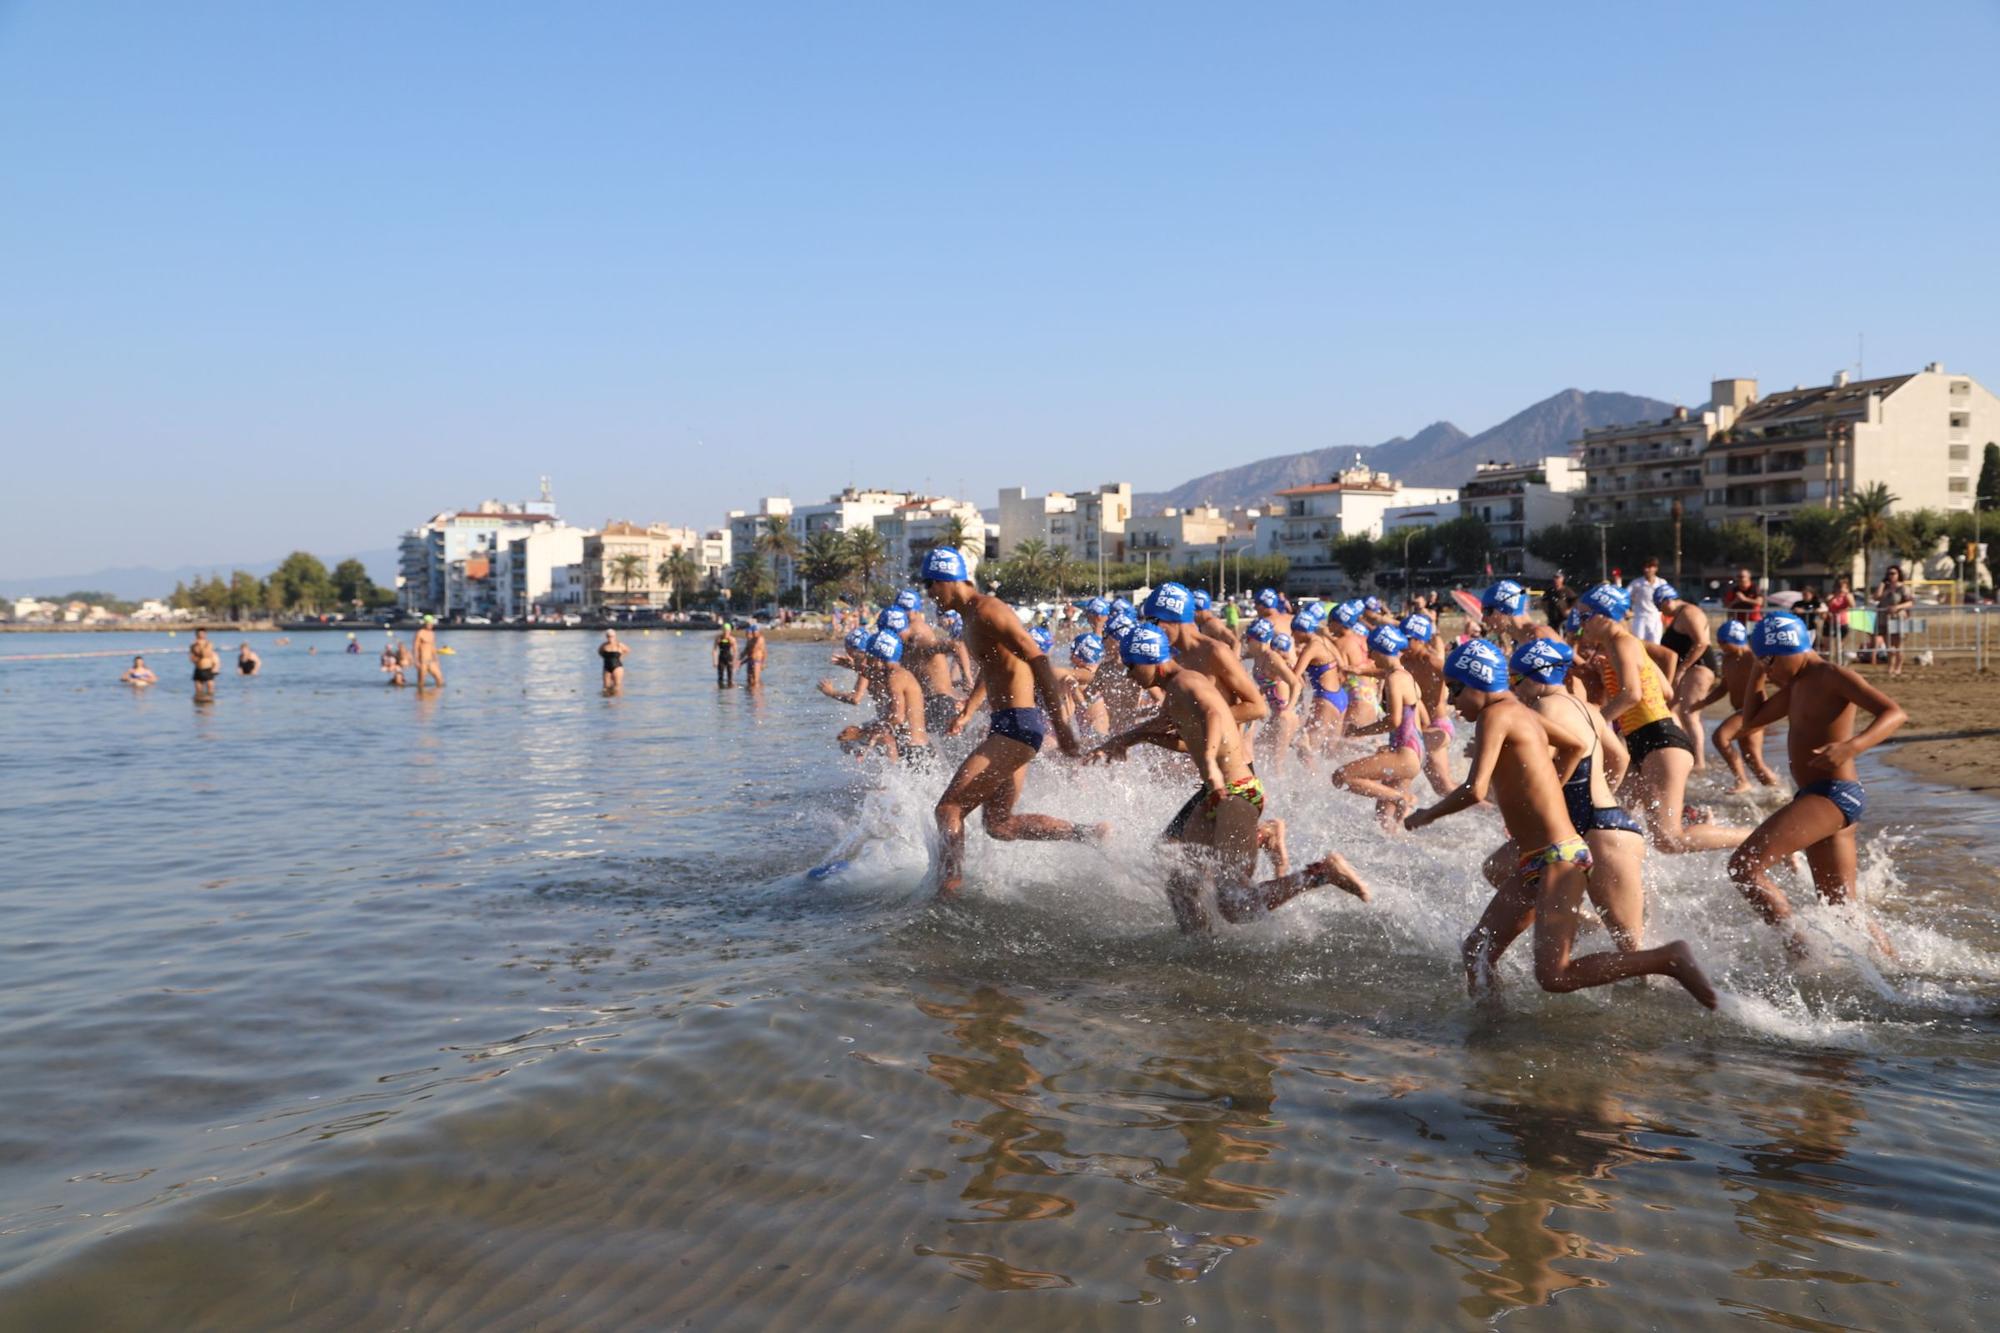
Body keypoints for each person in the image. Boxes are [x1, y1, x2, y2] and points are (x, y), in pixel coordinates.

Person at [1404, 639, 1716, 1008]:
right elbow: (1574, 746)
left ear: (1477, 683)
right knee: (1477, 950)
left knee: (1555, 976)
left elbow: (1475, 790)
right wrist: (1550, 787)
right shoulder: (1525, 711)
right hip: (1542, 855)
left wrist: (1426, 815)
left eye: (1455, 690)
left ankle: (1669, 959)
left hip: (1559, 855)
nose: (1452, 703)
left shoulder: (1498, 715)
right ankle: (1491, 1033)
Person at [1091, 624, 1369, 932]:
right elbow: (1189, 741)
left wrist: (1209, 761)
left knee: (1235, 904)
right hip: (1216, 795)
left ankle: (1323, 872)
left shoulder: (1185, 682)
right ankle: (1199, 949)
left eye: (1131, 665)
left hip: (1237, 792)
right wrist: (1135, 740)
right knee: (1179, 880)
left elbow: (1214, 713)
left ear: (1151, 659)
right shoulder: (1175, 691)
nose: (1129, 674)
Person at [923, 547, 1101, 899]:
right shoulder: (972, 617)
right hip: (1009, 725)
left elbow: (1038, 659)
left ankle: (948, 892)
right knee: (999, 824)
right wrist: (968, 711)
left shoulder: (989, 610)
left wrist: (1063, 729)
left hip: (1018, 725)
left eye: (930, 585)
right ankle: (1087, 834)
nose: (929, 594)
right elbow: (992, 669)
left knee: (949, 808)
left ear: (946, 580)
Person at [1727, 614, 1906, 956]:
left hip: (1833, 794)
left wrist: (1851, 747)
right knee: (1841, 907)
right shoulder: (1797, 685)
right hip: (1822, 798)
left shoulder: (1830, 676)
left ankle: (1800, 951)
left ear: (1788, 650)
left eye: (1771, 663)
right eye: (1765, 664)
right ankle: (1895, 970)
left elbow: (1894, 713)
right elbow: (1751, 721)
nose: (1771, 673)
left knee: (1744, 866)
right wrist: (1757, 666)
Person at [1503, 638, 1649, 957]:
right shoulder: (1587, 708)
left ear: (1536, 676)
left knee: (1634, 953)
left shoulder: (1543, 709)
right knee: (1497, 868)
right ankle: (1574, 918)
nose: (1513, 690)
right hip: (1604, 824)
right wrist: (1603, 793)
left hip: (1601, 834)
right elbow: (1619, 759)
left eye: (1514, 680)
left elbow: (1539, 775)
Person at [1575, 584, 1747, 855]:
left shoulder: (1621, 642)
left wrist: (1593, 723)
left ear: (1604, 616)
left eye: (1584, 617)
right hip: (1646, 740)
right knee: (1611, 818)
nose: (1579, 624)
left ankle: (1757, 837)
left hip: (1660, 741)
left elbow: (1632, 694)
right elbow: (1665, 691)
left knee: (1668, 840)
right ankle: (1694, 821)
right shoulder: (1623, 646)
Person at [1330, 625, 1425, 829]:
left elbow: (1394, 721)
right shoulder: (1405, 676)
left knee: (1342, 776)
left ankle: (1402, 798)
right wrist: (1357, 670)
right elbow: (1380, 672)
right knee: (1386, 824)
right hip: (1414, 750)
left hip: (1404, 754)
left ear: (1381, 649)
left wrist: (1359, 732)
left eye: (1371, 650)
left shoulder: (1394, 679)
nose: (1370, 656)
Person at [1695, 619, 1781, 793]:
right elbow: (1724, 687)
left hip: (1755, 711)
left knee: (1720, 737)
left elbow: (1778, 676)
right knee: (1753, 760)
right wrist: (1703, 703)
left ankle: (1742, 781)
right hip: (1741, 712)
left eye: (1723, 642)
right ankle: (1779, 793)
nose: (1721, 646)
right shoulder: (1728, 660)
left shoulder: (1753, 658)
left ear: (1734, 641)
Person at [1653, 582, 1717, 771]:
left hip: (1699, 668)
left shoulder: (1690, 612)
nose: (1660, 611)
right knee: (1670, 708)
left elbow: (1702, 643)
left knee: (1690, 714)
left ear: (1667, 600)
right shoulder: (1681, 615)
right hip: (1690, 669)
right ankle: (1681, 749)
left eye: (1659, 606)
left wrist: (1682, 668)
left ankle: (1699, 762)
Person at [1400, 611, 1456, 795]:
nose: (1402, 643)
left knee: (1400, 759)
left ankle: (1402, 805)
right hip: (1421, 727)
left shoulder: (1433, 662)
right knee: (1443, 789)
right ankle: (1492, 809)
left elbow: (1459, 680)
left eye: (1406, 639)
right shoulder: (1405, 661)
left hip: (1437, 726)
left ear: (1420, 639)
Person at [1871, 565, 1914, 676]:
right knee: (1889, 646)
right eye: (1889, 573)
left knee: (1898, 645)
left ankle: (1898, 667)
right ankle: (1890, 667)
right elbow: (1876, 597)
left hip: (1898, 618)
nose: (1891, 575)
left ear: (1898, 574)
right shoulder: (1885, 587)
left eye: (1893, 573)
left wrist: (1898, 607)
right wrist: (1882, 584)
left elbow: (1910, 602)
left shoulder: (1903, 588)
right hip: (1884, 619)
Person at [1629, 557, 1668, 644]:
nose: (1647, 570)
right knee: (1639, 645)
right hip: (1640, 619)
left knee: (1656, 645)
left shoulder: (1662, 583)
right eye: (1645, 567)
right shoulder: (1636, 583)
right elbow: (1625, 596)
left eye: (1650, 567)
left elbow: (1667, 600)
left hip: (1656, 619)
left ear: (1655, 568)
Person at [1824, 578, 1855, 659]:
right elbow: (1827, 603)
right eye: (1839, 587)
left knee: (1839, 644)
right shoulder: (1831, 596)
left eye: (1844, 587)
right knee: (1828, 645)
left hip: (1842, 623)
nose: (1841, 589)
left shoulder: (1848, 596)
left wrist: (1847, 595)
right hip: (1830, 622)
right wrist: (1835, 596)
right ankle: (1828, 661)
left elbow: (1852, 605)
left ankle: (1839, 661)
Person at [413, 615, 445, 688]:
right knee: (421, 684)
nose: (431, 625)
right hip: (422, 662)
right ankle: (421, 697)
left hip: (431, 661)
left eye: (432, 624)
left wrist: (437, 660)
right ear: (425, 623)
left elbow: (433, 648)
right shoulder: (420, 633)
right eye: (429, 623)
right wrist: (416, 661)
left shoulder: (432, 633)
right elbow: (415, 648)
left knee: (440, 680)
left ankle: (437, 697)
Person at [188, 629, 220, 701]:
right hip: (198, 669)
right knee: (198, 693)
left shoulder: (209, 643)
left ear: (205, 635)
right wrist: (196, 651)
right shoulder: (193, 645)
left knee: (210, 691)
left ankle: (208, 707)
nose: (200, 636)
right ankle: (198, 709)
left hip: (208, 669)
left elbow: (206, 654)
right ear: (196, 635)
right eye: (199, 634)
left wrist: (198, 648)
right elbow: (191, 658)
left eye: (202, 634)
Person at [713, 623, 737, 688]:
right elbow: (715, 650)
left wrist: (734, 662)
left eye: (727, 630)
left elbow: (735, 651)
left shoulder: (732, 639)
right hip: (721, 658)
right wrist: (715, 661)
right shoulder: (718, 638)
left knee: (730, 678)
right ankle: (720, 692)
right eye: (724, 630)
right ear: (723, 630)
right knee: (720, 677)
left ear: (729, 631)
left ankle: (730, 691)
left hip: (729, 658)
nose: (726, 632)